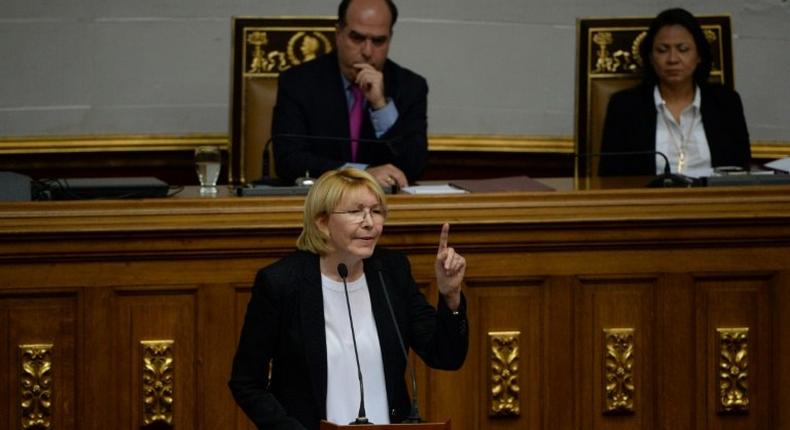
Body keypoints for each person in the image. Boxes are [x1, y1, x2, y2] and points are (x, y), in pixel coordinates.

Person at [229, 167, 469, 430]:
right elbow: (247, 383)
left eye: (376, 212)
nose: (369, 222)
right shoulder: (281, 283)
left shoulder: (391, 272)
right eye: (356, 212)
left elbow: (445, 355)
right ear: (322, 222)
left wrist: (450, 297)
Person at [271, 0, 428, 189]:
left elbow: (414, 166)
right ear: (338, 34)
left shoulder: (411, 86)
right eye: (357, 38)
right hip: (319, 204)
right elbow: (288, 160)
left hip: (383, 209)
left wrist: (381, 105)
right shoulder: (298, 82)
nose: (367, 52)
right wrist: (360, 175)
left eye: (378, 41)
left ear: (390, 38)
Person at [599, 8, 751, 177]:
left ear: (699, 55)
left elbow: (741, 172)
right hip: (649, 201)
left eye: (683, 49)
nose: (672, 59)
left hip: (713, 201)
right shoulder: (625, 106)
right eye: (662, 50)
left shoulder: (726, 103)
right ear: (650, 57)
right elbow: (609, 177)